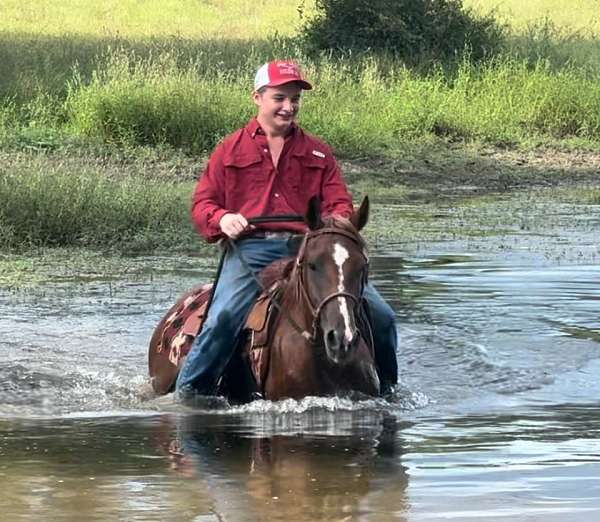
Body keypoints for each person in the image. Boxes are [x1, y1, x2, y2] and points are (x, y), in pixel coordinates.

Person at [176, 60, 398, 397]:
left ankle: (388, 394)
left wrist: (334, 227)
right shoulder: (229, 150)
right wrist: (222, 218)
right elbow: (203, 203)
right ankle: (190, 395)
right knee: (222, 320)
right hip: (252, 249)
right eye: (279, 98)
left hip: (312, 249)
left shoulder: (319, 152)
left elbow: (339, 201)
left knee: (382, 316)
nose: (288, 107)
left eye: (294, 99)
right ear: (257, 97)